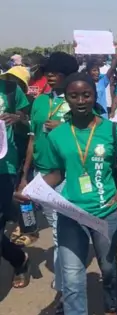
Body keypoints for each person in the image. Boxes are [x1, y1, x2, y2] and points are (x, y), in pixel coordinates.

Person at [18, 72, 117, 315]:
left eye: (86, 95)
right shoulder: (56, 134)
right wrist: (33, 189)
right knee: (72, 281)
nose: (80, 101)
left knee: (107, 266)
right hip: (70, 213)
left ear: (95, 96)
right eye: (74, 96)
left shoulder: (113, 131)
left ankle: (110, 306)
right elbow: (56, 173)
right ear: (66, 99)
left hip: (105, 213)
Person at [19, 52, 79, 313]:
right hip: (40, 175)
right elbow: (32, 138)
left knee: (58, 232)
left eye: (56, 71)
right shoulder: (40, 101)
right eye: (49, 72)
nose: (51, 75)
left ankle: (63, 290)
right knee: (60, 231)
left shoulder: (79, 100)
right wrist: (25, 174)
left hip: (64, 176)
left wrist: (65, 129)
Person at [0, 76, 32, 290]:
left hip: (5, 166)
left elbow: (26, 118)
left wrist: (16, 117)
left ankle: (18, 260)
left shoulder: (10, 89)